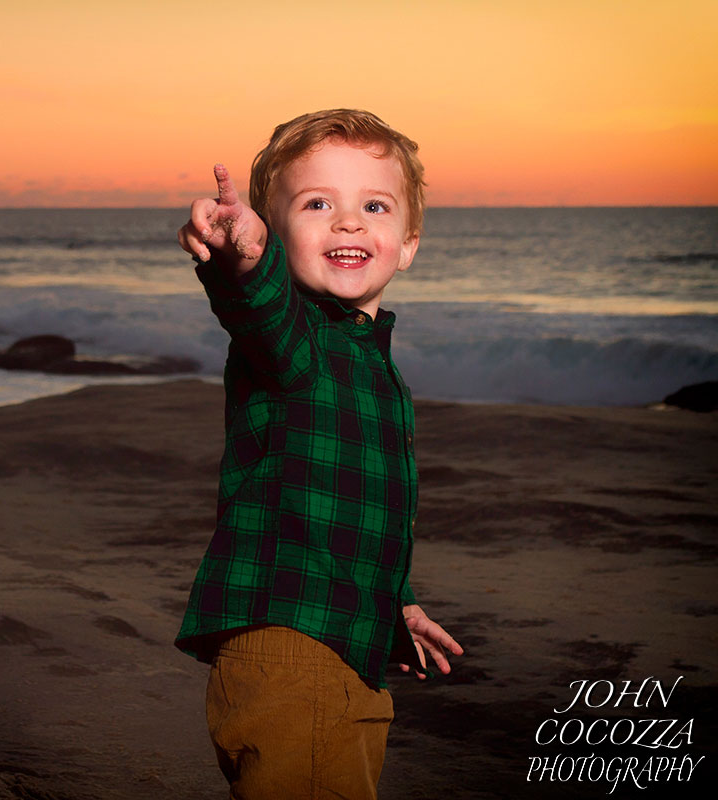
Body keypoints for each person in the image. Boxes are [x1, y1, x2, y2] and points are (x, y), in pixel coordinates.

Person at [174, 109, 463, 800]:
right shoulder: (295, 343)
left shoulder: (374, 368)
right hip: (292, 650)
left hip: (344, 649)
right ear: (276, 235)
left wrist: (401, 602)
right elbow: (256, 302)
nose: (349, 223)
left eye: (373, 205)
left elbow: (347, 515)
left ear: (408, 243)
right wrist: (242, 255)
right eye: (316, 204)